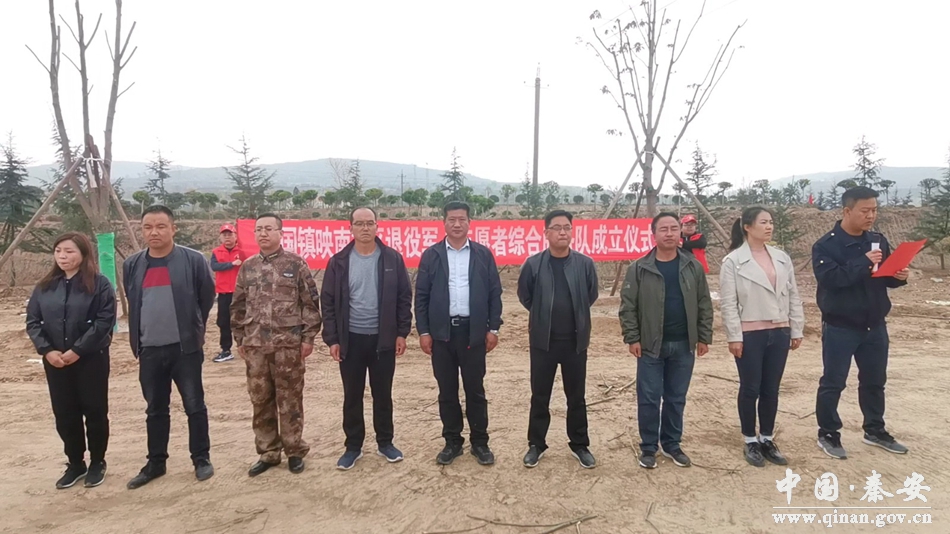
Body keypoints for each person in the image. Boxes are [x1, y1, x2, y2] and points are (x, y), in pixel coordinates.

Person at [123, 205, 216, 489]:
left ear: (173, 229)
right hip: (149, 350)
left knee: (194, 405)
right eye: (148, 227)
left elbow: (206, 297)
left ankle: (201, 458)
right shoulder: (133, 264)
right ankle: (156, 463)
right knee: (155, 409)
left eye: (161, 226)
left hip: (185, 349)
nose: (154, 232)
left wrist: (192, 328)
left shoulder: (193, 260)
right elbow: (133, 301)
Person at [813, 187, 910, 459]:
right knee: (833, 382)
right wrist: (863, 262)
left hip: (874, 325)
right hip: (840, 326)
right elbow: (832, 279)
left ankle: (875, 430)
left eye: (874, 210)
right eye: (865, 211)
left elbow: (885, 277)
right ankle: (828, 433)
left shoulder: (878, 240)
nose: (871, 216)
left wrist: (899, 276)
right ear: (847, 211)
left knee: (874, 381)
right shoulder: (826, 245)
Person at [320, 207, 413, 470]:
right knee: (352, 395)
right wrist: (333, 339)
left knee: (383, 394)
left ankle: (385, 442)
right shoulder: (339, 261)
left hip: (383, 340)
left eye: (369, 223)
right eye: (359, 223)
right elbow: (328, 302)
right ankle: (353, 446)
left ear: (377, 226)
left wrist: (401, 332)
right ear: (350, 227)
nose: (365, 228)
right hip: (350, 340)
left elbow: (404, 297)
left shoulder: (392, 259)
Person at [619, 212, 713, 469]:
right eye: (664, 229)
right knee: (649, 398)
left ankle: (672, 444)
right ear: (654, 234)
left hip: (684, 344)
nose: (669, 233)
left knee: (676, 397)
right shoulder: (640, 268)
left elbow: (704, 303)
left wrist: (704, 336)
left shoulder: (692, 266)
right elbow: (628, 307)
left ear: (680, 232)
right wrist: (632, 338)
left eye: (674, 228)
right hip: (650, 345)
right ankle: (649, 447)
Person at [232, 213, 322, 476]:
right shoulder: (247, 267)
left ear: (281, 233)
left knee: (290, 399)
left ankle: (294, 450)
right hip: (256, 345)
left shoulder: (295, 264)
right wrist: (240, 338)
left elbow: (310, 304)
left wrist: (308, 338)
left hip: (288, 346)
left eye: (269, 229)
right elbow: (237, 306)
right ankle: (268, 452)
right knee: (260, 399)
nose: (263, 233)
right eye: (259, 229)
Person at [26, 232, 116, 489]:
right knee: (65, 413)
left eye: (69, 251)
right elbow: (33, 321)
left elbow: (104, 321)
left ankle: (97, 462)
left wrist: (78, 349)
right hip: (56, 361)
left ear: (83, 254)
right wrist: (47, 350)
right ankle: (75, 463)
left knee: (95, 411)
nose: (63, 256)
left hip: (90, 359)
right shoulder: (45, 286)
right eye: (58, 251)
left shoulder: (99, 284)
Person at [415, 201, 503, 466]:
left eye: (462, 219)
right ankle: (452, 442)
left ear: (469, 223)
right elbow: (422, 296)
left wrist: (493, 328)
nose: (456, 224)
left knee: (475, 389)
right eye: (452, 219)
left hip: (472, 333)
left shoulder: (482, 254)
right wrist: (424, 331)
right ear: (444, 222)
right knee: (447, 391)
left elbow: (494, 294)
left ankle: (480, 443)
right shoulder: (432, 255)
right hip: (441, 335)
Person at [719, 207, 805, 467]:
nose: (769, 227)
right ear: (747, 227)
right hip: (750, 333)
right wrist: (734, 336)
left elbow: (793, 294)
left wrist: (796, 327)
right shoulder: (733, 261)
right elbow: (728, 303)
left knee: (771, 388)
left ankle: (767, 438)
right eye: (763, 222)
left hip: (779, 330)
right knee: (750, 387)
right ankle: (749, 439)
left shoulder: (781, 258)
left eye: (771, 222)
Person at [517, 210, 600, 469]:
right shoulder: (533, 264)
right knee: (540, 395)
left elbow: (590, 295)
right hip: (543, 342)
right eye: (557, 227)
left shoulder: (584, 264)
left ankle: (579, 444)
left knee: (576, 396)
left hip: (575, 342)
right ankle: (536, 444)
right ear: (546, 233)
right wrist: (542, 315)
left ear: (572, 231)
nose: (563, 232)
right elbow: (525, 296)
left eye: (567, 227)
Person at [210, 223, 244, 363]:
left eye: (230, 234)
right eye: (224, 235)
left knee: (243, 320)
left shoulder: (242, 251)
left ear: (236, 236)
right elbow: (214, 266)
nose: (227, 237)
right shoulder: (216, 252)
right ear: (220, 238)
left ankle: (245, 346)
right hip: (224, 293)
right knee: (223, 322)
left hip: (240, 293)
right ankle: (226, 350)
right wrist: (231, 264)